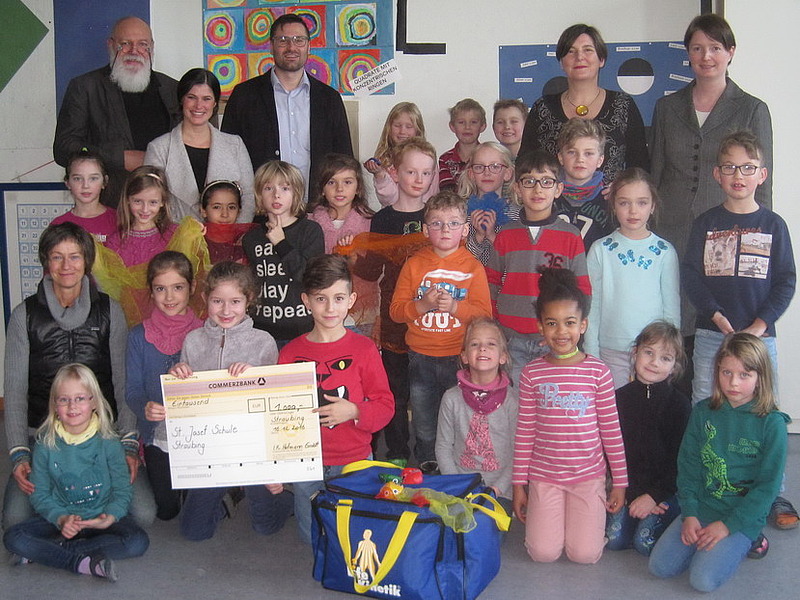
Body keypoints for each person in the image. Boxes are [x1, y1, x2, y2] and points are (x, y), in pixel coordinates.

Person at [3, 223, 152, 531]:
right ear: (46, 262)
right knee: (14, 519)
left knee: (144, 514)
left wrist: (127, 443)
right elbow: (14, 391)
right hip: (43, 436)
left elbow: (123, 382)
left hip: (101, 435)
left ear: (87, 260)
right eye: (57, 257)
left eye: (74, 256)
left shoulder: (110, 310)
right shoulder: (23, 315)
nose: (66, 266)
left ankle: (78, 520)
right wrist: (19, 453)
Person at [649, 333, 788, 592]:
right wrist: (690, 514)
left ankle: (750, 539)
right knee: (660, 567)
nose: (733, 382)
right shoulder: (703, 412)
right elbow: (688, 467)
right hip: (703, 506)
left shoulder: (772, 424)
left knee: (702, 580)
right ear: (717, 372)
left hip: (741, 515)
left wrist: (727, 527)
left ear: (760, 378)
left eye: (744, 375)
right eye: (726, 373)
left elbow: (767, 487)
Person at [168, 261, 294, 541]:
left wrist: (255, 377)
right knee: (194, 532)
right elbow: (185, 400)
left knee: (265, 525)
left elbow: (277, 406)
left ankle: (288, 498)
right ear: (205, 299)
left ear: (249, 300)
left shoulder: (263, 342)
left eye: (235, 301)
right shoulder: (193, 341)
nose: (226, 311)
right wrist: (178, 374)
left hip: (253, 451)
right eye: (217, 301)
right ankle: (228, 497)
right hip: (210, 451)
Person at [512, 267, 628, 564]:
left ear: (583, 325)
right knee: (543, 553)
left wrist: (620, 481)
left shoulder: (598, 372)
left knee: (585, 554)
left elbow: (611, 431)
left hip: (588, 478)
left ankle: (585, 524)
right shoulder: (532, 373)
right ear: (540, 326)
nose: (561, 332)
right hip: (544, 478)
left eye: (570, 323)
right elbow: (525, 432)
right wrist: (519, 484)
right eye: (552, 323)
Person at [650, 14, 772, 288]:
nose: (706, 56)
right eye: (697, 48)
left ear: (731, 52)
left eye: (715, 48)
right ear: (688, 53)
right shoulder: (666, 107)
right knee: (674, 303)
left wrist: (759, 238)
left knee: (721, 304)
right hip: (671, 226)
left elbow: (763, 183)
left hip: (729, 224)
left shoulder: (752, 109)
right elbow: (655, 172)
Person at [279, 254, 394, 544]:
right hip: (306, 462)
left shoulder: (364, 349)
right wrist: (277, 466)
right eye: (321, 299)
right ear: (306, 301)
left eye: (338, 298)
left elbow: (385, 406)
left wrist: (355, 411)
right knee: (312, 534)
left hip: (353, 459)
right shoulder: (290, 354)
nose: (330, 308)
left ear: (351, 300)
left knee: (355, 534)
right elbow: (277, 418)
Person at [3, 364, 150, 581]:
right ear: (55, 405)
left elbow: (122, 489)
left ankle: (51, 552)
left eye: (80, 398)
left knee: (138, 541)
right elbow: (40, 494)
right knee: (13, 537)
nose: (72, 406)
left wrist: (110, 516)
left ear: (94, 402)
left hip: (99, 517)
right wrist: (61, 518)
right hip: (60, 519)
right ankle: (81, 563)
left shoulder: (110, 442)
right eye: (64, 400)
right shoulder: (45, 444)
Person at [682, 131, 795, 404]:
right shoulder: (705, 223)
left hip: (760, 337)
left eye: (748, 168)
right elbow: (690, 275)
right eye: (729, 167)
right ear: (717, 174)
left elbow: (786, 281)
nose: (738, 175)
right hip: (712, 334)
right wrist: (715, 315)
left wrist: (759, 324)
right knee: (705, 402)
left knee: (763, 406)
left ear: (762, 174)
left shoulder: (774, 225)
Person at [390, 191, 492, 472]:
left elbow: (484, 316)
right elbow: (396, 311)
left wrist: (456, 307)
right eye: (437, 223)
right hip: (420, 357)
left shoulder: (473, 267)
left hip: (458, 356)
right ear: (425, 230)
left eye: (453, 223)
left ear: (465, 229)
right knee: (424, 419)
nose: (445, 229)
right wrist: (422, 305)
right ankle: (428, 462)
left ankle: (459, 463)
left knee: (459, 416)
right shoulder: (414, 264)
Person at [355, 138, 438, 466]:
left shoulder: (436, 216)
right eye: (411, 171)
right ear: (395, 173)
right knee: (396, 391)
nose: (419, 179)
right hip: (394, 319)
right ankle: (398, 453)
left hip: (433, 319)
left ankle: (431, 453)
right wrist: (350, 252)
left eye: (426, 173)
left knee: (428, 392)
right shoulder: (383, 219)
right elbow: (371, 269)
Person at [485, 150, 591, 385]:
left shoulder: (571, 236)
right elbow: (490, 281)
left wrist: (566, 331)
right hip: (511, 339)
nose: (537, 189)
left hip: (555, 340)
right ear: (517, 188)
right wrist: (496, 326)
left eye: (546, 182)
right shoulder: (506, 234)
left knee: (552, 399)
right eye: (529, 181)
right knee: (516, 399)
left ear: (558, 189)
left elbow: (582, 290)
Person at [221, 13, 353, 199]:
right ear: (271, 46)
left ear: (308, 46)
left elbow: (344, 159)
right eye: (283, 40)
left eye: (299, 40)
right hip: (262, 207)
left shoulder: (329, 98)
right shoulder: (244, 95)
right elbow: (228, 156)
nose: (291, 47)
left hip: (317, 206)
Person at [53, 16, 180, 208]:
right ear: (111, 45)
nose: (134, 51)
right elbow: (64, 148)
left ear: (152, 47)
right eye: (125, 44)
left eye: (142, 44)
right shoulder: (85, 87)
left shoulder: (173, 89)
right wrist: (120, 158)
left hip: (164, 207)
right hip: (109, 207)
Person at [584, 168, 680, 387]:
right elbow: (592, 304)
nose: (633, 211)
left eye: (642, 203)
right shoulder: (600, 249)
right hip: (610, 352)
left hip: (654, 354)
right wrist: (592, 353)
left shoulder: (664, 251)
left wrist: (669, 352)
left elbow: (671, 309)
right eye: (624, 203)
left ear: (653, 206)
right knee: (615, 407)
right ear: (613, 206)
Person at [125, 252, 203, 521]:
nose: (169, 297)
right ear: (151, 291)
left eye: (177, 287)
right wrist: (145, 407)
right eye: (160, 289)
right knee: (167, 511)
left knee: (195, 508)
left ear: (192, 287)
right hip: (157, 437)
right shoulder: (138, 336)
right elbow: (132, 391)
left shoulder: (206, 332)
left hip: (198, 436)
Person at [519, 23, 649, 182]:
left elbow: (640, 167)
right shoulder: (542, 108)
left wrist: (622, 190)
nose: (579, 57)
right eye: (571, 51)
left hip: (612, 198)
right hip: (552, 198)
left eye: (588, 50)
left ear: (601, 59)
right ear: (561, 63)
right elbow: (525, 165)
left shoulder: (623, 105)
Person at [606, 321, 691, 556]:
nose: (654, 362)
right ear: (635, 353)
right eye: (649, 353)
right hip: (628, 488)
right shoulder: (617, 399)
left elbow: (681, 461)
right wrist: (624, 492)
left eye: (665, 358)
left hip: (666, 490)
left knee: (644, 543)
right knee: (614, 541)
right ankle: (636, 515)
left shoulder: (680, 405)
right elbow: (611, 452)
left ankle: (678, 516)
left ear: (674, 367)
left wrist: (654, 497)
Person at [144, 68, 255, 222]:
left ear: (215, 103)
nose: (199, 105)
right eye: (192, 97)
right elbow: (150, 200)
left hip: (229, 235)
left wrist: (234, 232)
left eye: (206, 99)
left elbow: (249, 197)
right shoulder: (158, 148)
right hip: (175, 234)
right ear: (181, 100)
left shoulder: (235, 145)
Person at [435, 317, 519, 512]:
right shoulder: (451, 398)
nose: (482, 349)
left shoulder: (513, 401)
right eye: (474, 344)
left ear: (503, 357)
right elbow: (443, 447)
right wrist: (457, 484)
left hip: (500, 491)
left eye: (491, 344)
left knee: (485, 527)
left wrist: (497, 489)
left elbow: (518, 453)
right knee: (452, 526)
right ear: (464, 356)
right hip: (459, 487)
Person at [243, 160, 324, 345]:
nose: (276, 195)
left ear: (296, 193)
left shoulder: (310, 230)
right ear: (259, 194)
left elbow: (309, 277)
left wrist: (281, 243)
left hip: (303, 328)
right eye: (268, 188)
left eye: (285, 188)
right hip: (262, 330)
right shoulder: (251, 238)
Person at [554, 118, 613, 250]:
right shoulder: (547, 195)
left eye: (588, 153)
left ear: (600, 160)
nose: (580, 159)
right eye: (572, 152)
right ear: (561, 158)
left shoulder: (611, 198)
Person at [364, 102, 438, 207]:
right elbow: (389, 200)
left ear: (418, 130)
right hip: (394, 213)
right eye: (397, 126)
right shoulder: (384, 160)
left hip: (424, 212)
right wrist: (380, 175)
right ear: (389, 128)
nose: (402, 131)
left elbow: (432, 196)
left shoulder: (427, 159)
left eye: (409, 126)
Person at [103, 165, 179, 267]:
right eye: (138, 201)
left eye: (153, 202)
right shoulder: (116, 242)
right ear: (128, 199)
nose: (145, 209)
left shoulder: (175, 235)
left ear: (163, 202)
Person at [460, 141, 517, 265]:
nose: (487, 173)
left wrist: (492, 236)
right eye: (479, 167)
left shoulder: (516, 215)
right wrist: (479, 236)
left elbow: (514, 261)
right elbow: (460, 261)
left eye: (495, 166)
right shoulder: (461, 213)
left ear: (507, 173)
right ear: (471, 174)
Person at [308, 153, 373, 252]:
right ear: (322, 189)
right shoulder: (309, 223)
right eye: (331, 182)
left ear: (358, 188)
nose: (339, 189)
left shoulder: (371, 223)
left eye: (347, 182)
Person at [51, 149, 116, 243]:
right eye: (78, 179)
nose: (85, 185)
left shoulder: (119, 221)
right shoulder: (58, 225)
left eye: (93, 178)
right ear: (68, 182)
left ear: (104, 181)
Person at [200, 180, 255, 264]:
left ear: (239, 211)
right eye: (217, 207)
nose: (225, 214)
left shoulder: (246, 239)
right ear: (203, 211)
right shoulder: (196, 240)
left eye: (231, 207)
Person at [439, 98, 487, 191]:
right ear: (452, 127)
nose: (467, 127)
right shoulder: (445, 159)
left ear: (482, 126)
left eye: (473, 122)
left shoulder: (488, 158)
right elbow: (446, 191)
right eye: (461, 122)